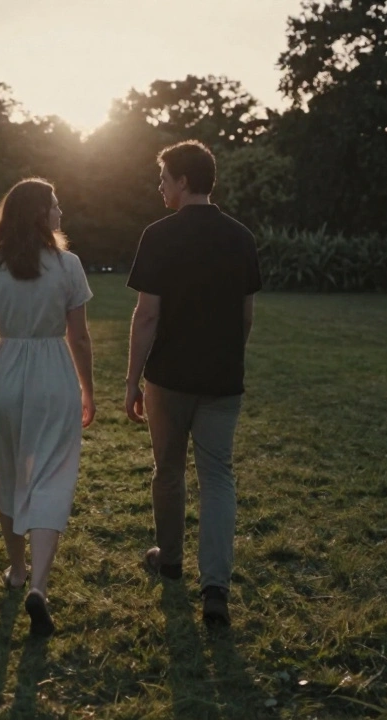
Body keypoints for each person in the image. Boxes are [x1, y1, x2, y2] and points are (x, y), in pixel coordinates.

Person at [125, 140, 261, 628]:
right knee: (218, 477)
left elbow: (146, 316)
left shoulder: (159, 235)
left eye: (164, 176)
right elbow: (246, 316)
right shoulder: (241, 237)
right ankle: (216, 588)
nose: (160, 185)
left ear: (183, 181)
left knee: (168, 469)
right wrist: (227, 357)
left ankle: (171, 559)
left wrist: (131, 381)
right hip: (224, 380)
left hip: (168, 379)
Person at [0, 178, 95, 637]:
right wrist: (88, 390)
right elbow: (79, 336)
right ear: (40, 214)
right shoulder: (69, 266)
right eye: (55, 206)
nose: (60, 213)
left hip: (5, 375)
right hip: (54, 376)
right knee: (51, 476)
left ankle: (17, 570)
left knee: (11, 476)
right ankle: (38, 585)